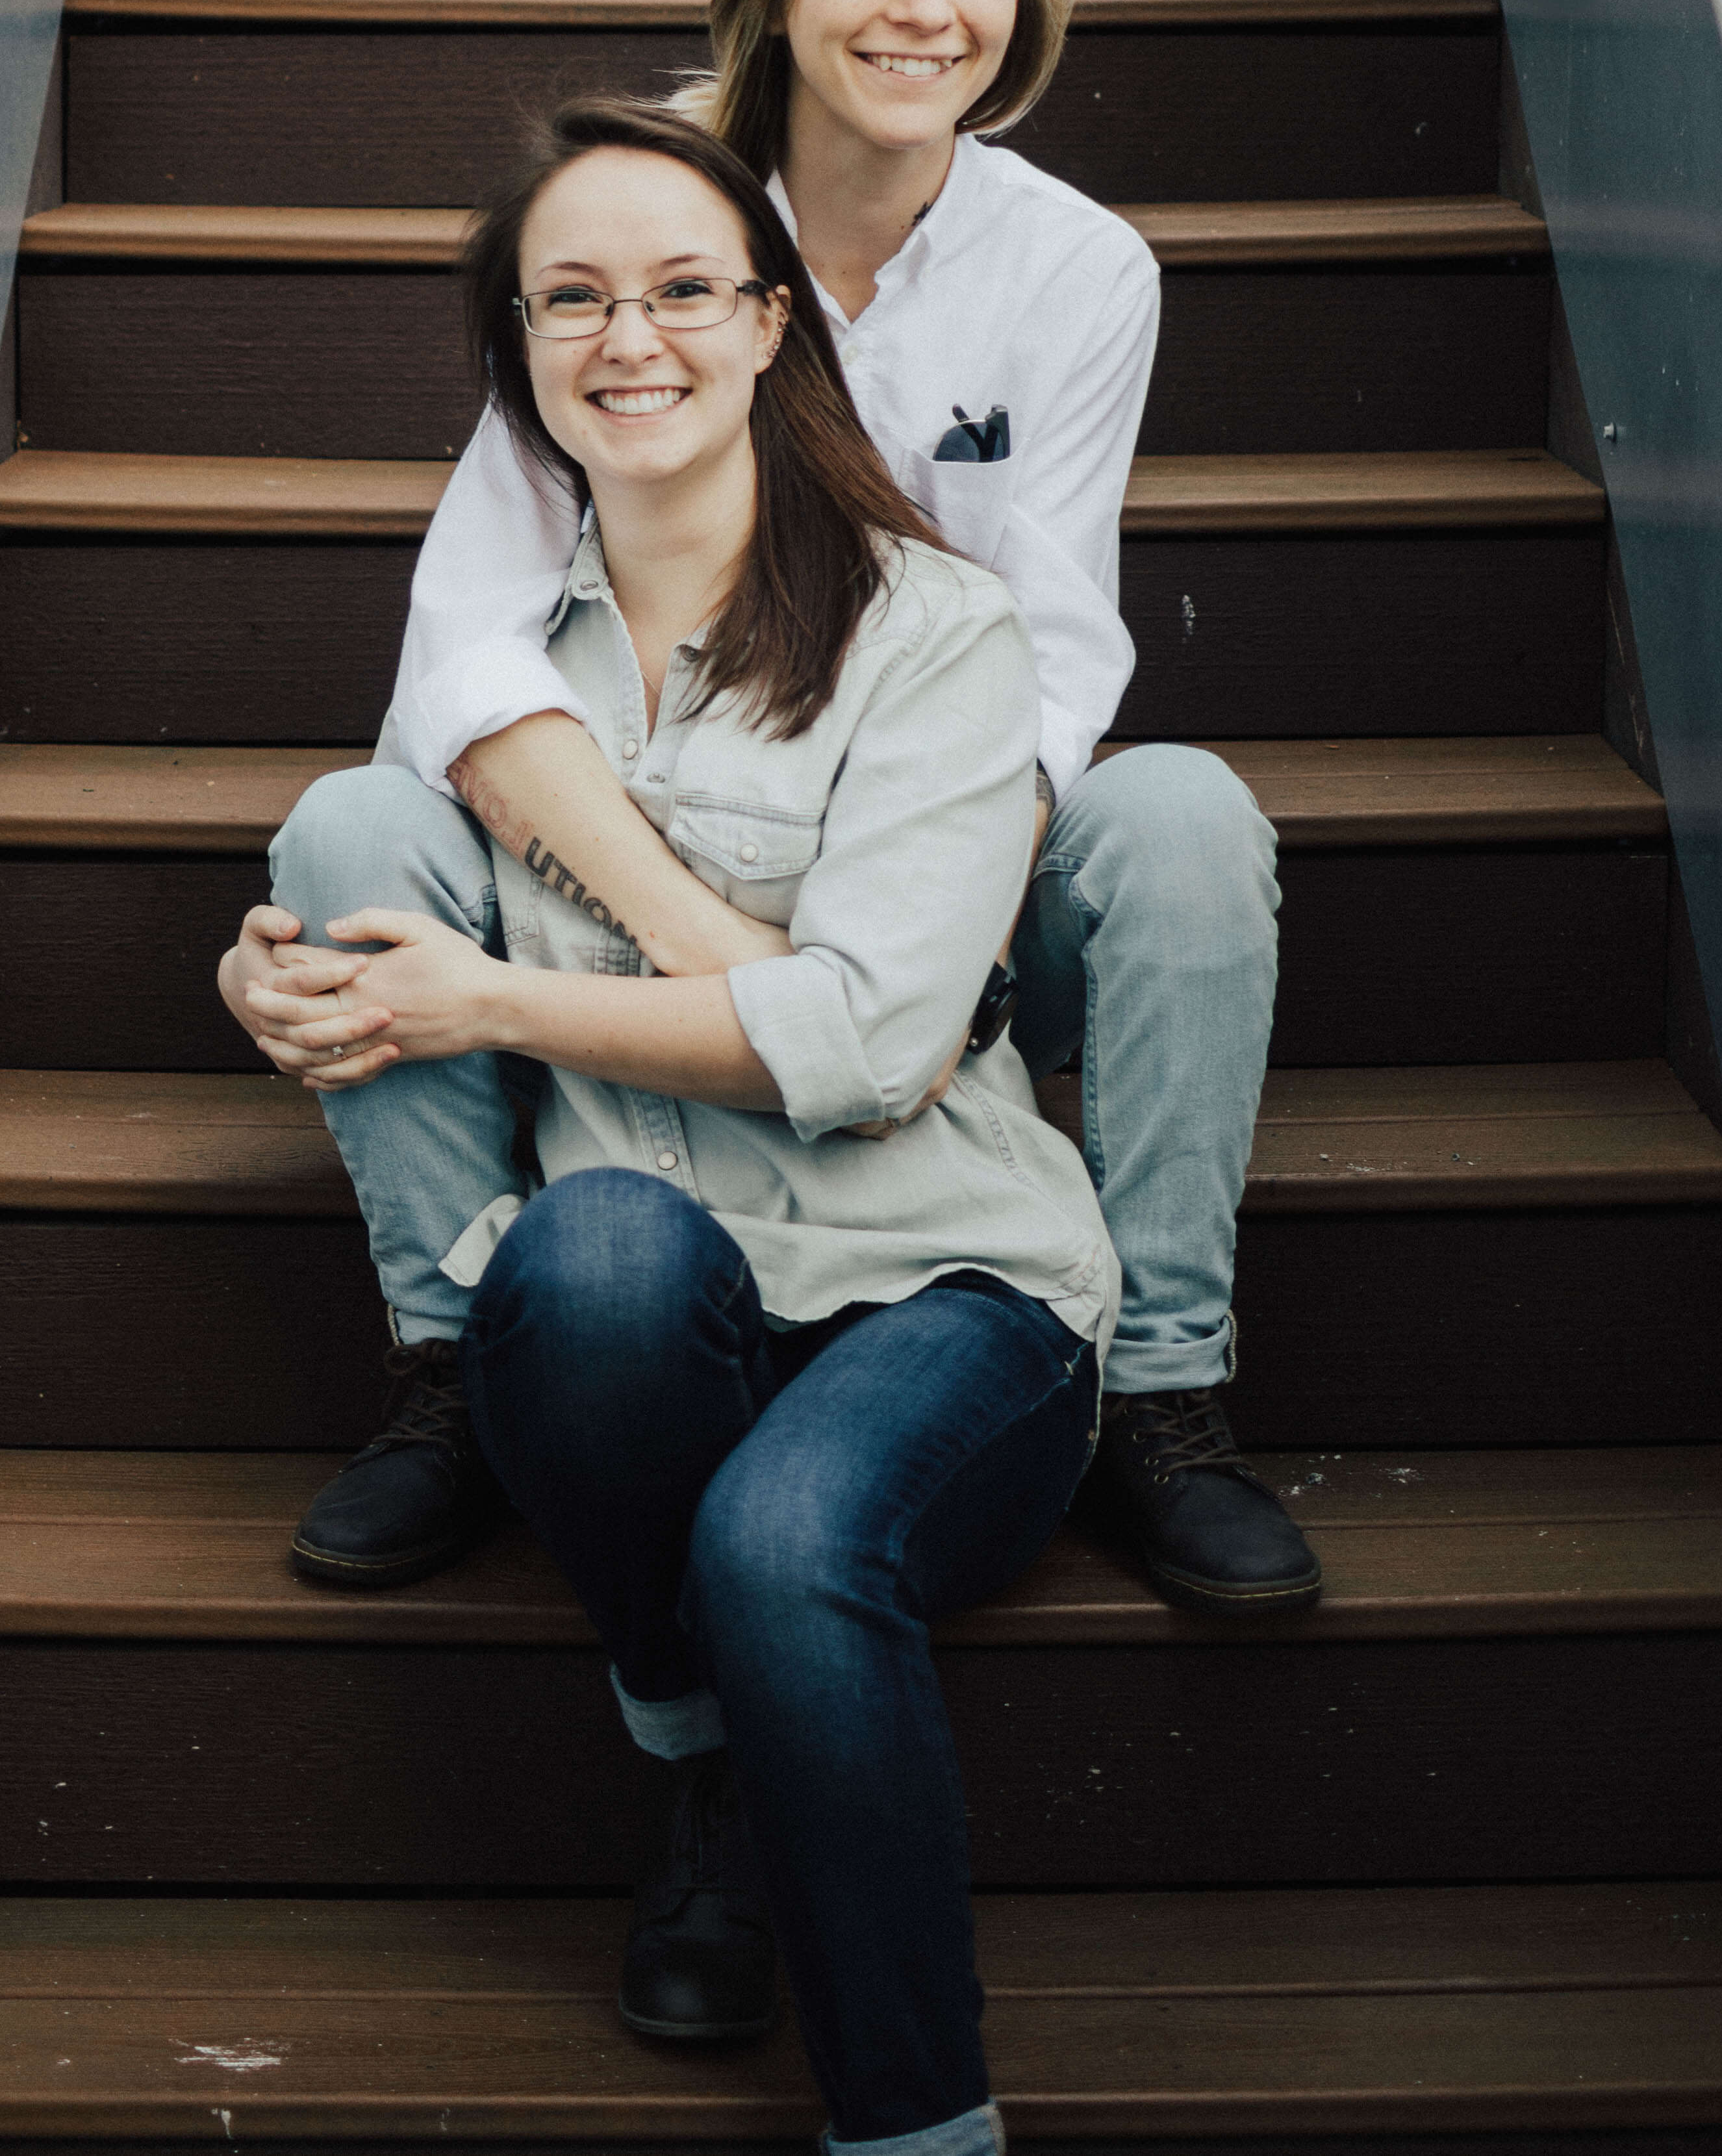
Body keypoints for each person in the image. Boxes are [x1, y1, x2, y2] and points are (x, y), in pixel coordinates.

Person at [227, 0, 1315, 1617]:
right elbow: (467, 642)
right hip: (639, 835)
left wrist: (927, 927)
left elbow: (1058, 645)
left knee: (1186, 818)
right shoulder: (648, 203)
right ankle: (449, 1362)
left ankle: (1162, 1391)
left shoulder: (1080, 272)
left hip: (934, 852)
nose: (925, 6)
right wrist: (701, 930)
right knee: (351, 824)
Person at [227, 105, 1119, 2150]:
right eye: (575, 298)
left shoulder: (936, 629)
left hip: (949, 1281)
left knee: (788, 1532)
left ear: (771, 323)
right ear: (521, 352)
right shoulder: (487, 678)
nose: (631, 336)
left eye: (685, 287)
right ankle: (701, 1722)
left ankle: (916, 2123)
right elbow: (373, 919)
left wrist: (497, 1002)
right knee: (586, 1253)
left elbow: (885, 1039)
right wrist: (272, 979)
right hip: (658, 1279)